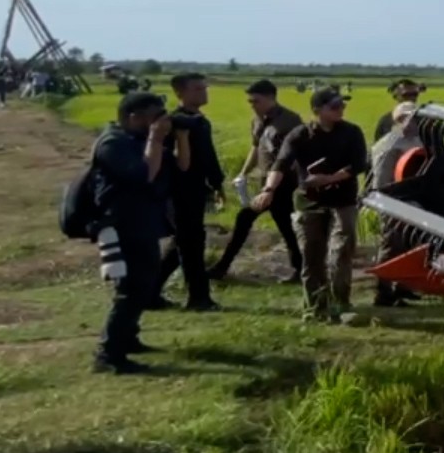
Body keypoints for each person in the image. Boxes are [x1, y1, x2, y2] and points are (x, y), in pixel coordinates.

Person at [254, 86, 370, 322]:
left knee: (341, 253)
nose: (341, 109)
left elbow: (359, 164)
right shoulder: (300, 135)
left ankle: (341, 305)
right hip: (309, 202)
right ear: (318, 110)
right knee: (311, 254)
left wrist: (328, 179)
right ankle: (315, 307)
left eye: (342, 105)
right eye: (335, 106)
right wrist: (268, 190)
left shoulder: (351, 132)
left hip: (343, 201)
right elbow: (281, 163)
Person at [90, 91, 176, 374]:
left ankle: (127, 338)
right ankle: (108, 355)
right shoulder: (112, 143)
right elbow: (144, 175)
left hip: (143, 223)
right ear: (133, 117)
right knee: (131, 289)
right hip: (124, 225)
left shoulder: (134, 141)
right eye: (153, 117)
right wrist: (156, 138)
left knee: (143, 285)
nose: (158, 123)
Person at [209, 79, 305, 283]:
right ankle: (301, 269)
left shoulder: (290, 121)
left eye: (256, 101)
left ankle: (222, 266)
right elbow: (256, 147)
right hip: (265, 182)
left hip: (283, 182)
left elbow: (300, 153)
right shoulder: (257, 121)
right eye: (250, 101)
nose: (252, 105)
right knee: (285, 226)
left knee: (245, 218)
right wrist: (243, 173)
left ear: (271, 98)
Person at [156, 73, 223, 311]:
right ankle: (198, 297)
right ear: (180, 93)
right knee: (191, 245)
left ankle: (149, 291)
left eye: (204, 88)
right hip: (179, 191)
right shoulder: (176, 122)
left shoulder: (199, 120)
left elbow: (208, 155)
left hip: (196, 190)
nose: (203, 92)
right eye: (197, 89)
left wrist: (217, 182)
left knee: (183, 243)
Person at [366, 101, 426, 308]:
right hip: (393, 200)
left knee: (413, 245)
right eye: (406, 118)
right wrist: (385, 201)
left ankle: (404, 287)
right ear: (398, 120)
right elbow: (381, 179)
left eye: (415, 118)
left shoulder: (419, 140)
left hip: (415, 199)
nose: (412, 122)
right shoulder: (389, 144)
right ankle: (382, 292)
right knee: (392, 245)